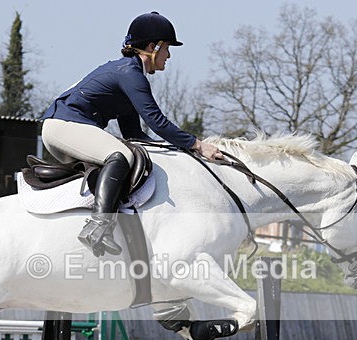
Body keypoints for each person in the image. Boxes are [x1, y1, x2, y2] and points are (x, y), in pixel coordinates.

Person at [41, 11, 223, 257]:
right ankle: (98, 225)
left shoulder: (129, 74)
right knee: (120, 155)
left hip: (68, 127)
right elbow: (157, 122)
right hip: (63, 126)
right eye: (167, 48)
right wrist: (197, 145)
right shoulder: (130, 74)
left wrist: (173, 151)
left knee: (128, 154)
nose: (168, 56)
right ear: (152, 47)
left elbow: (135, 134)